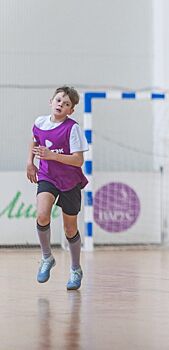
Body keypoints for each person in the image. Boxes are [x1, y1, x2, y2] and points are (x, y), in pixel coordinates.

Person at [26, 86, 89, 290]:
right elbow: (35, 140)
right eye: (59, 100)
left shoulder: (73, 128)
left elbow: (78, 160)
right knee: (42, 215)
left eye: (67, 103)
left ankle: (76, 269)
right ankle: (46, 257)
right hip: (47, 176)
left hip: (70, 181)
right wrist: (30, 161)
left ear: (71, 110)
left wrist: (53, 155)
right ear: (51, 101)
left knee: (70, 228)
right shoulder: (40, 122)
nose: (61, 104)